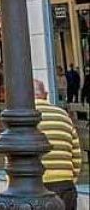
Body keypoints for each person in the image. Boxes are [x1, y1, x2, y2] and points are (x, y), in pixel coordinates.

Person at [34, 79, 81, 210]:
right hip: (65, 184)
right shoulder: (63, 115)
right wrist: (71, 178)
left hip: (36, 185)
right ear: (46, 94)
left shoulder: (23, 116)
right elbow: (76, 153)